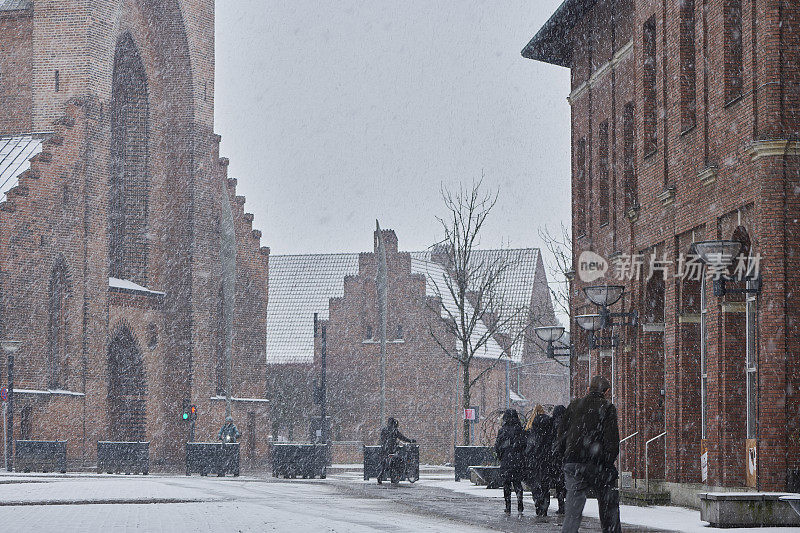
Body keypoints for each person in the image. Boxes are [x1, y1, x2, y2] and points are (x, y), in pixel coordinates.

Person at [555, 376, 621, 533]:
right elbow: (612, 441)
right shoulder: (607, 408)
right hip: (598, 464)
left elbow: (561, 435)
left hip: (573, 463)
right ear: (606, 391)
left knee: (573, 509)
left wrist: (566, 456)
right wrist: (606, 462)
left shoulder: (574, 406)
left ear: (588, 390)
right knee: (608, 506)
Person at [494, 408, 526, 514]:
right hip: (517, 461)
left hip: (506, 461)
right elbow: (524, 445)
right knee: (517, 483)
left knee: (506, 484)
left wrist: (501, 456)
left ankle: (508, 506)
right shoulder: (520, 430)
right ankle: (520, 504)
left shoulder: (502, 431)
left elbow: (497, 446)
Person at [524, 404, 554, 516]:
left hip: (534, 464)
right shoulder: (550, 435)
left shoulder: (533, 434)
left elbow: (528, 450)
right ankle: (545, 508)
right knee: (545, 486)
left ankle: (538, 506)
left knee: (536, 486)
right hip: (546, 463)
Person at [377, 417, 415, 484]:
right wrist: (410, 440)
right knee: (398, 461)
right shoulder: (394, 430)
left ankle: (380, 476)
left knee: (384, 463)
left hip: (384, 450)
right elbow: (402, 437)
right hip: (392, 449)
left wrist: (384, 445)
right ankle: (396, 475)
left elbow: (381, 439)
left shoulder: (384, 430)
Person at [550, 404, 567, 514]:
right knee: (567, 480)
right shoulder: (568, 423)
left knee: (558, 482)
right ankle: (568, 503)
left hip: (556, 456)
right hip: (567, 455)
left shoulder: (552, 423)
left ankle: (561, 505)